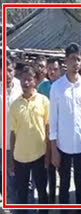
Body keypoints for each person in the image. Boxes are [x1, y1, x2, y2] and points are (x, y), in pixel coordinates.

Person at [49, 43, 81, 214]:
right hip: (63, 146)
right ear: (66, 61)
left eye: (79, 59)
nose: (76, 63)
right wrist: (54, 150)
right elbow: (53, 120)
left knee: (80, 182)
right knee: (65, 184)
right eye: (73, 59)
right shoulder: (57, 88)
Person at [9, 66, 49, 214]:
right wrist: (12, 159)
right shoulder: (15, 105)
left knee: (42, 191)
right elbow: (13, 133)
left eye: (29, 79)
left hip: (40, 154)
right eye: (23, 79)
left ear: (35, 81)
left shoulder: (43, 101)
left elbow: (48, 129)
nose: (26, 82)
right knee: (22, 194)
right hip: (20, 156)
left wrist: (49, 155)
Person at [37, 57, 62, 204]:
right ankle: (51, 197)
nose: (52, 72)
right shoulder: (43, 87)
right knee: (49, 167)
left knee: (62, 168)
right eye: (50, 69)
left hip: (62, 132)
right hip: (47, 132)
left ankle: (61, 196)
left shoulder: (64, 85)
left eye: (55, 69)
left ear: (60, 70)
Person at [0, 58, 22, 206]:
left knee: (18, 180)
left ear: (14, 70)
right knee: (7, 181)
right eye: (4, 70)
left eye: (10, 70)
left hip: (19, 143)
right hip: (2, 143)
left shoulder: (20, 87)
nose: (7, 74)